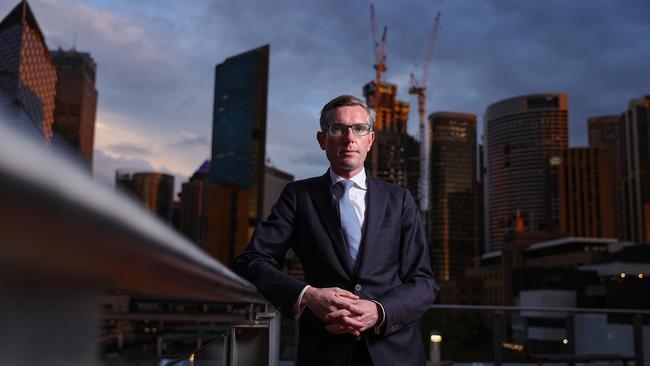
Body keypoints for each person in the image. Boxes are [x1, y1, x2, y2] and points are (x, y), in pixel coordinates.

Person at [232, 95, 438, 365]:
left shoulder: (399, 199)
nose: (349, 137)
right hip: (324, 352)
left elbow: (424, 282)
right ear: (322, 140)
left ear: (370, 140)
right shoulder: (298, 196)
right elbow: (252, 261)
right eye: (338, 129)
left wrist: (379, 311)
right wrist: (309, 295)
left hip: (394, 352)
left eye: (359, 129)